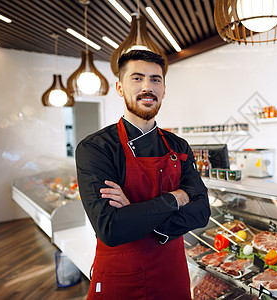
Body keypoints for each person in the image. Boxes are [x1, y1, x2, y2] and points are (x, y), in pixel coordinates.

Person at [76, 50, 211, 300]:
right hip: (121, 277)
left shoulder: (178, 146)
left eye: (155, 79)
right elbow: (111, 228)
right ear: (119, 87)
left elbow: (202, 211)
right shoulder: (95, 148)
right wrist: (176, 198)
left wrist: (135, 213)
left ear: (164, 88)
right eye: (137, 78)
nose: (147, 87)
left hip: (172, 275)